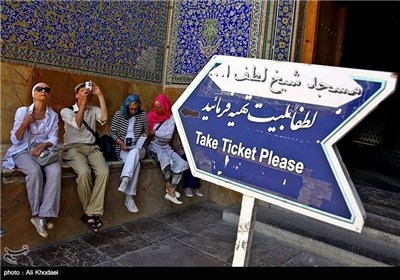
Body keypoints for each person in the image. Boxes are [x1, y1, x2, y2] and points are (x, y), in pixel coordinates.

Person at [2, 82, 61, 238]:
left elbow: (54, 137)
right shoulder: (22, 112)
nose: (43, 91)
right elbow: (15, 139)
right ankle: (36, 212)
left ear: (48, 95)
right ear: (33, 94)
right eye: (39, 89)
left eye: (46, 89)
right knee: (34, 172)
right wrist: (25, 123)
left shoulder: (53, 115)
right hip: (22, 150)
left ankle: (42, 216)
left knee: (55, 172)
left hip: (44, 151)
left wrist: (44, 144)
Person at [60, 81, 109, 233]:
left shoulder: (93, 109)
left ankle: (89, 213)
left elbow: (104, 119)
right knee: (83, 173)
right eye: (82, 90)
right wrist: (82, 104)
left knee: (103, 172)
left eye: (87, 89)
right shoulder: (66, 111)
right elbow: (78, 124)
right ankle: (91, 213)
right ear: (76, 95)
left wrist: (99, 94)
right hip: (73, 148)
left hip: (92, 148)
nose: (85, 91)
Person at [147, 93, 189, 205]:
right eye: (155, 107)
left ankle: (171, 190)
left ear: (165, 106)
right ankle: (169, 188)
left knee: (181, 163)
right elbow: (146, 132)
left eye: (159, 107)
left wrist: (155, 132)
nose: (157, 109)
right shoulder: (150, 116)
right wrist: (158, 133)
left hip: (166, 147)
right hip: (153, 147)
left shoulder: (171, 118)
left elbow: (168, 135)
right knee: (165, 160)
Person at [110, 93, 148, 213]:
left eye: (136, 109)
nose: (133, 111)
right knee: (136, 163)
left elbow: (146, 131)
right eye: (131, 108)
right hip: (123, 148)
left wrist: (143, 136)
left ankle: (125, 180)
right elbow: (112, 133)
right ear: (127, 107)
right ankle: (129, 198)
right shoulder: (119, 114)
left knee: (135, 152)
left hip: (138, 148)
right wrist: (121, 143)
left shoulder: (142, 115)